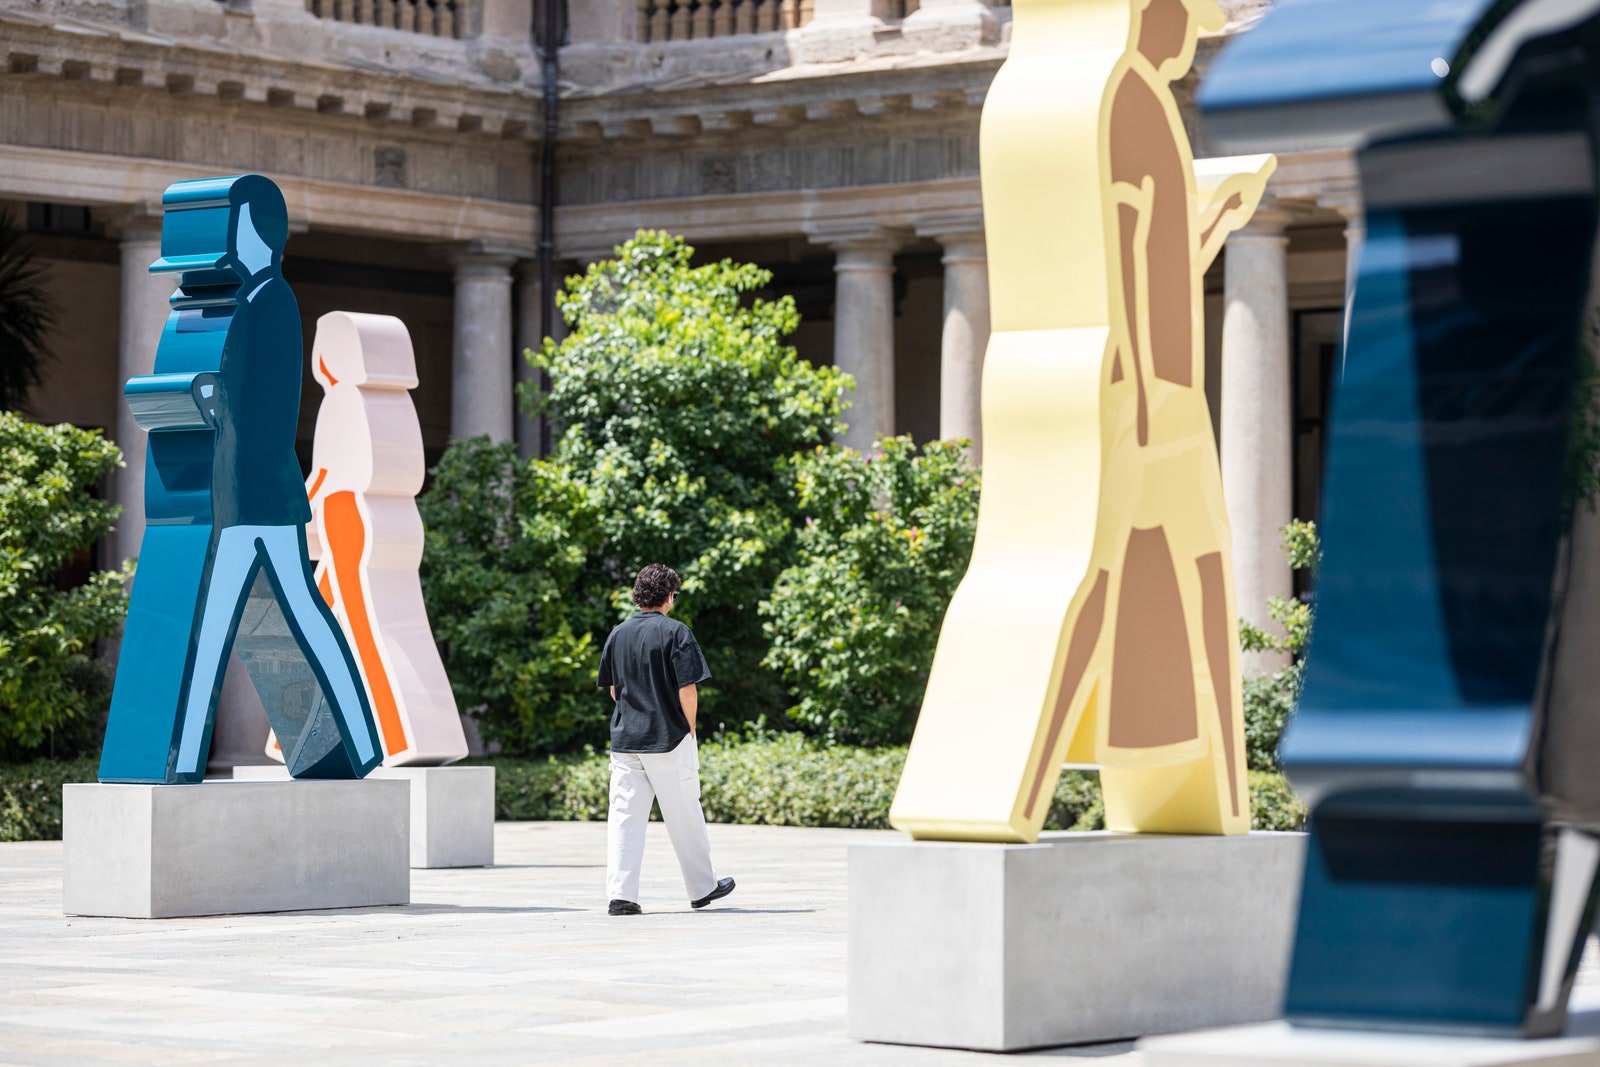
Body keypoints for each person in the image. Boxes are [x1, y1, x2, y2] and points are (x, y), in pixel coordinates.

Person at [597, 564, 735, 915]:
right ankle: (702, 888)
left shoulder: (618, 634)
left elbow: (615, 690)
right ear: (669, 596)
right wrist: (690, 729)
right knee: (685, 814)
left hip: (626, 743)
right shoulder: (676, 632)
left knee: (625, 819)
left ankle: (621, 896)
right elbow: (687, 689)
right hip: (669, 739)